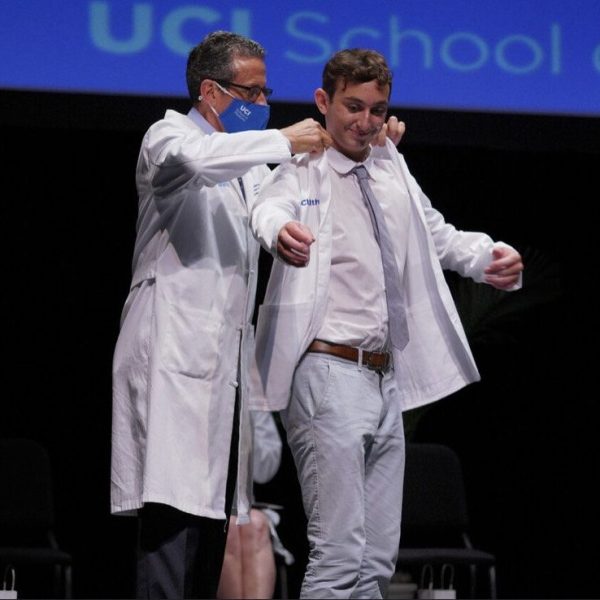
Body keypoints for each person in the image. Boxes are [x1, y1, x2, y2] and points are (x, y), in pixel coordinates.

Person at [249, 48, 524, 599]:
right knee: (338, 557)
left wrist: (489, 257)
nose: (366, 121)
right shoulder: (302, 167)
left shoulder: (388, 162)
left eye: (377, 110)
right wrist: (279, 233)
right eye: (353, 106)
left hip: (382, 377)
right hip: (327, 372)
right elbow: (266, 208)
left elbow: (435, 233)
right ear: (324, 102)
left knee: (376, 561)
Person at [110, 30, 333, 599]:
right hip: (170, 350)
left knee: (211, 522)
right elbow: (195, 162)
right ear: (210, 91)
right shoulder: (169, 135)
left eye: (265, 93)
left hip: (221, 365)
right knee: (169, 519)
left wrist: (280, 232)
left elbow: (265, 207)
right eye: (250, 93)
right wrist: (281, 139)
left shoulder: (248, 162)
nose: (261, 105)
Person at [217, 410, 287, 599]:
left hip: (242, 503)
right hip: (205, 502)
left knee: (256, 524)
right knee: (229, 529)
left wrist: (247, 416)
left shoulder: (253, 394)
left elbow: (266, 470)